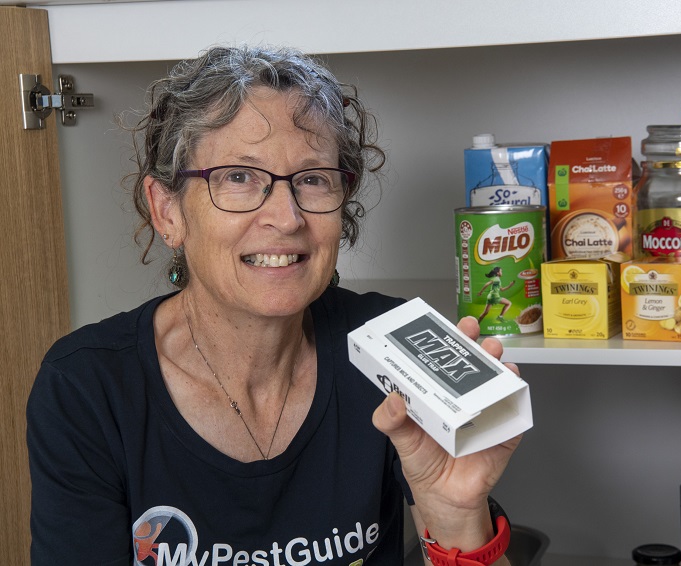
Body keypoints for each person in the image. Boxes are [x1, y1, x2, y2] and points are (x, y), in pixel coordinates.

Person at [26, 45, 522, 565]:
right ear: (166, 209)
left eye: (311, 179)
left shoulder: (390, 344)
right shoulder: (86, 386)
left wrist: (456, 514)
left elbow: (458, 526)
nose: (286, 218)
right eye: (239, 177)